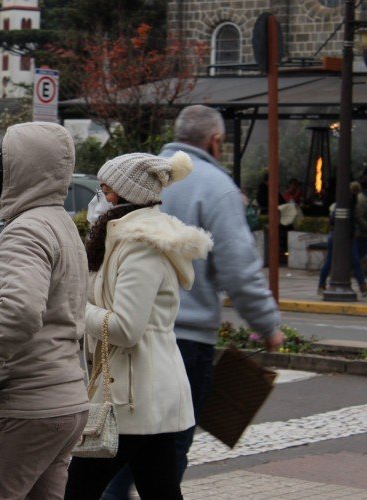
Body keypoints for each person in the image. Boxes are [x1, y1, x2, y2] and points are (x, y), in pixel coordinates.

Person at [103, 105, 283, 500]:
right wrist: (268, 326)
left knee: (117, 449)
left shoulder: (142, 176)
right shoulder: (216, 187)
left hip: (122, 333)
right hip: (183, 342)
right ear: (215, 141)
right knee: (166, 451)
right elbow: (239, 269)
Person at [64, 152, 212, 500]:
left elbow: (125, 328)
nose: (98, 200)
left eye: (105, 190)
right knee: (159, 489)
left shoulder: (140, 246)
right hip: (141, 392)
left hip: (135, 394)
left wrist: (73, 308)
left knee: (78, 490)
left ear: (127, 195)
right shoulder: (118, 239)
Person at [0, 122, 90, 499]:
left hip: (25, 405)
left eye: (2, 161)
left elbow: (20, 309)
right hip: (64, 401)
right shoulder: (61, 226)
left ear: (22, 169)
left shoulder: (26, 231)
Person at [318, 181, 367, 296]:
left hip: (340, 236)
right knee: (354, 261)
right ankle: (362, 286)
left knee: (331, 261)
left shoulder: (345, 202)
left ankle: (321, 284)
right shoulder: (349, 203)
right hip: (346, 237)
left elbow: (332, 220)